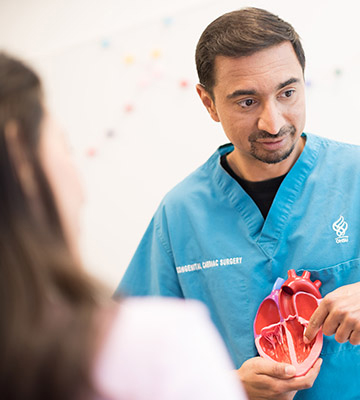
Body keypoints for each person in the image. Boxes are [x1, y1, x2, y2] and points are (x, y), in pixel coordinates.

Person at [116, 8, 360, 400]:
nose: (273, 123)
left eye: (287, 93)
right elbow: (132, 361)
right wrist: (227, 385)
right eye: (246, 102)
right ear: (208, 102)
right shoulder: (181, 215)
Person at [0, 52, 247, 400]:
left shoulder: (352, 173)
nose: (272, 122)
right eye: (64, 148)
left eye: (288, 93)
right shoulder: (157, 345)